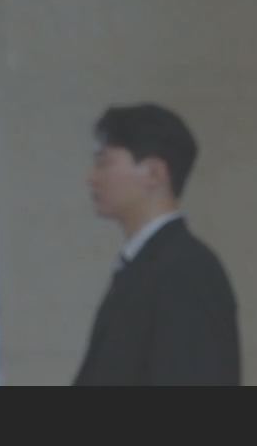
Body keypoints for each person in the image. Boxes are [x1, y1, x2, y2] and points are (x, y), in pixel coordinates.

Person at [75, 103, 240, 385]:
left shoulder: (186, 270)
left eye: (104, 162)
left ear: (154, 173)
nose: (91, 178)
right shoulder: (144, 265)